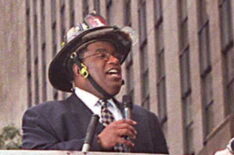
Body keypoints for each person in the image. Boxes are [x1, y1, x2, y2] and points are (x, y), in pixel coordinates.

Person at [22, 13, 169, 154]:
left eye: (116, 56)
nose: (115, 61)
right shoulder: (44, 117)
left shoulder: (146, 120)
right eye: (102, 55)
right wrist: (98, 143)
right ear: (78, 69)